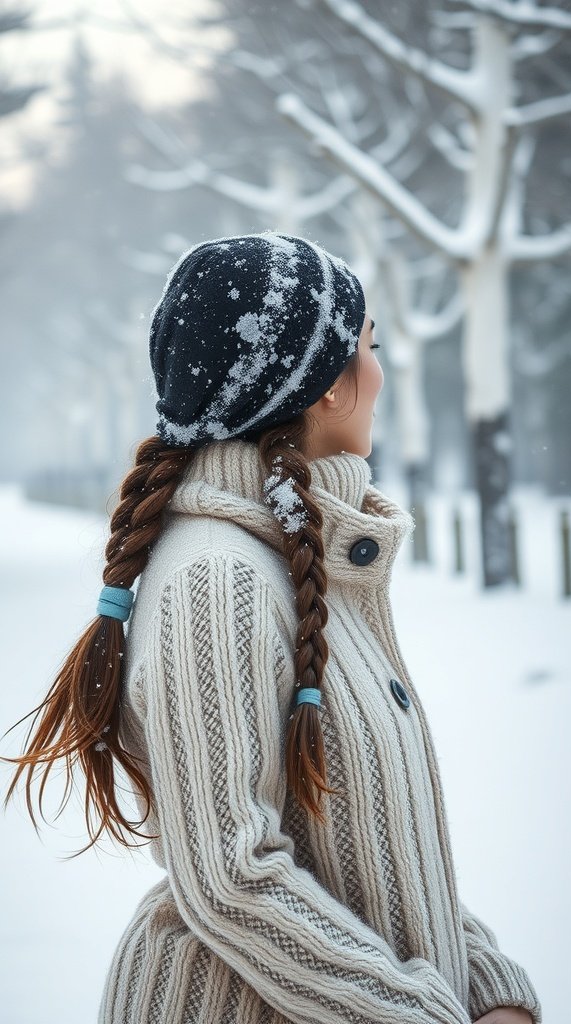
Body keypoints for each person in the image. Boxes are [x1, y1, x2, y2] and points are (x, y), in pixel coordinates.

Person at [2, 231, 541, 1024]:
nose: (383, 374)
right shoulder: (222, 578)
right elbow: (232, 876)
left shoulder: (295, 559)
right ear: (327, 385)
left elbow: (370, 847)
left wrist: (486, 983)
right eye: (372, 347)